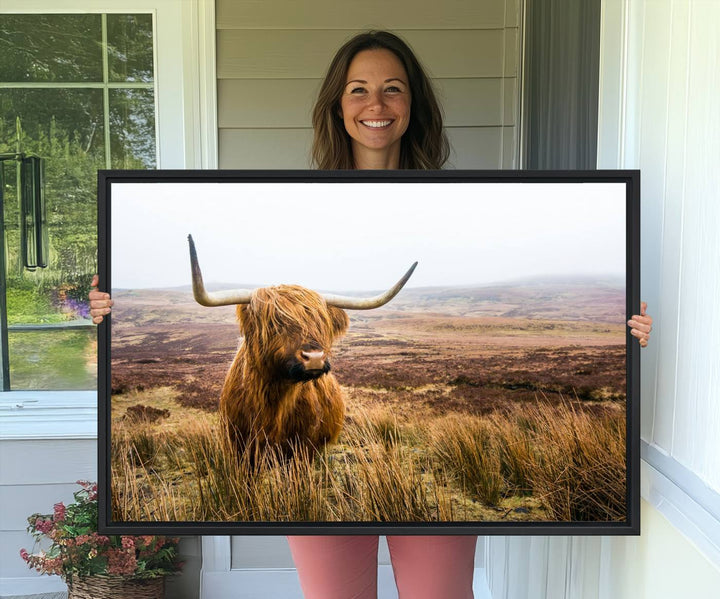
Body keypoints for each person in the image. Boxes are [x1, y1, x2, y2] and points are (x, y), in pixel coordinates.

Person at [89, 30, 653, 599]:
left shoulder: (455, 199)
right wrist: (105, 314)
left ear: (413, 104)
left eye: (393, 89)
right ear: (338, 105)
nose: (376, 105)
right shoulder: (290, 195)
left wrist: (626, 336)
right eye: (358, 90)